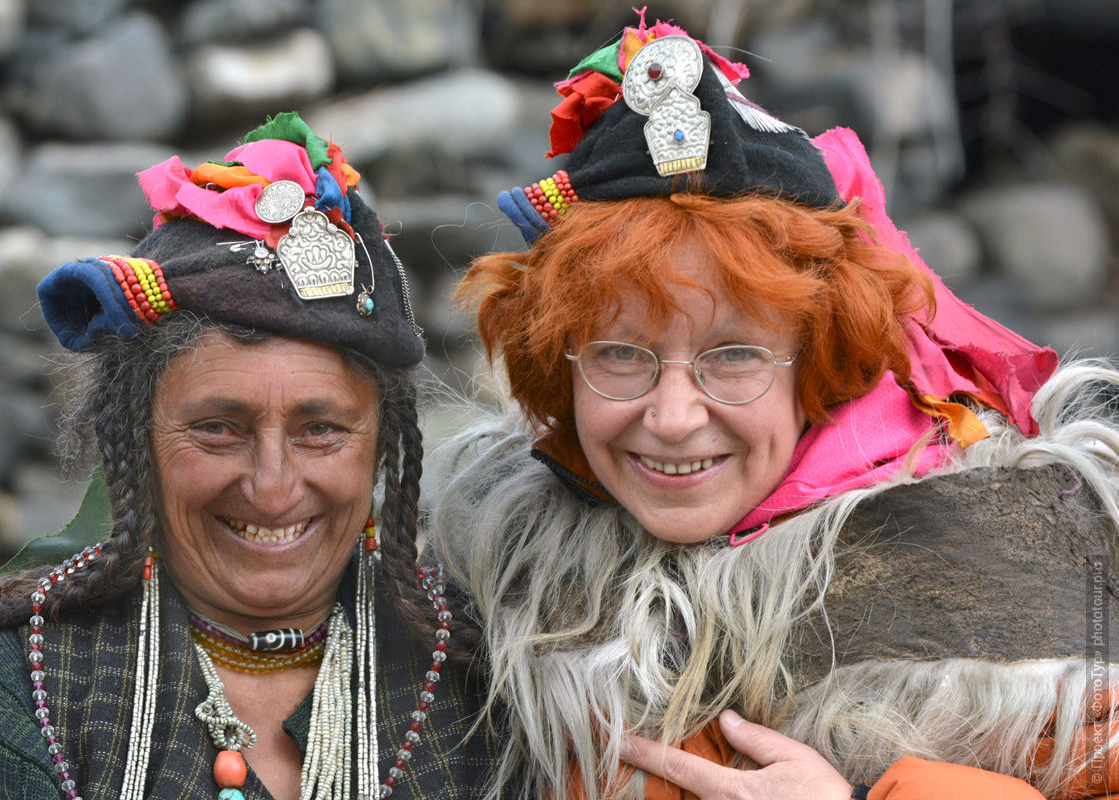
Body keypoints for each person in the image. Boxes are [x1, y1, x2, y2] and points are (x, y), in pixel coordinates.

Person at [428, 15, 1119, 800]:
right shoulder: (499, 582)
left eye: (734, 356)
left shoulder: (1016, 587)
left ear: (822, 365)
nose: (676, 416)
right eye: (623, 354)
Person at [0, 113, 499, 799]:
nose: (273, 487)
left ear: (381, 446)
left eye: (321, 429)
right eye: (219, 428)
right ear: (137, 440)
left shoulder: (480, 678)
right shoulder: (32, 688)